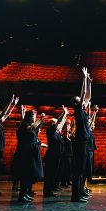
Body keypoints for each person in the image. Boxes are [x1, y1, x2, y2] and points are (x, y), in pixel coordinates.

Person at [70, 67, 92, 202]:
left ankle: (79, 192)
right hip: (80, 141)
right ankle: (76, 195)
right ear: (76, 103)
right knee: (78, 169)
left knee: (82, 169)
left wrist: (89, 82)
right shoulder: (77, 110)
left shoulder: (82, 110)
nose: (82, 100)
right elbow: (84, 94)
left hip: (84, 140)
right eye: (80, 99)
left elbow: (88, 96)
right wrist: (84, 79)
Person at [16, 110, 46, 202]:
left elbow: (35, 131)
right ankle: (22, 196)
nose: (34, 118)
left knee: (30, 174)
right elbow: (30, 129)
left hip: (31, 152)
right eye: (34, 116)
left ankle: (25, 193)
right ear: (29, 117)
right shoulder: (24, 124)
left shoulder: (30, 126)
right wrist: (39, 120)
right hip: (26, 152)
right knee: (26, 174)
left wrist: (41, 123)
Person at [43, 106, 68, 197]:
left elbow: (60, 123)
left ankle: (50, 190)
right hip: (52, 155)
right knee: (49, 174)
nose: (57, 125)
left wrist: (65, 116)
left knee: (53, 173)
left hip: (56, 155)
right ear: (52, 124)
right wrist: (64, 113)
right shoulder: (50, 130)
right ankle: (47, 191)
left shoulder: (56, 132)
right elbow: (59, 122)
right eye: (55, 123)